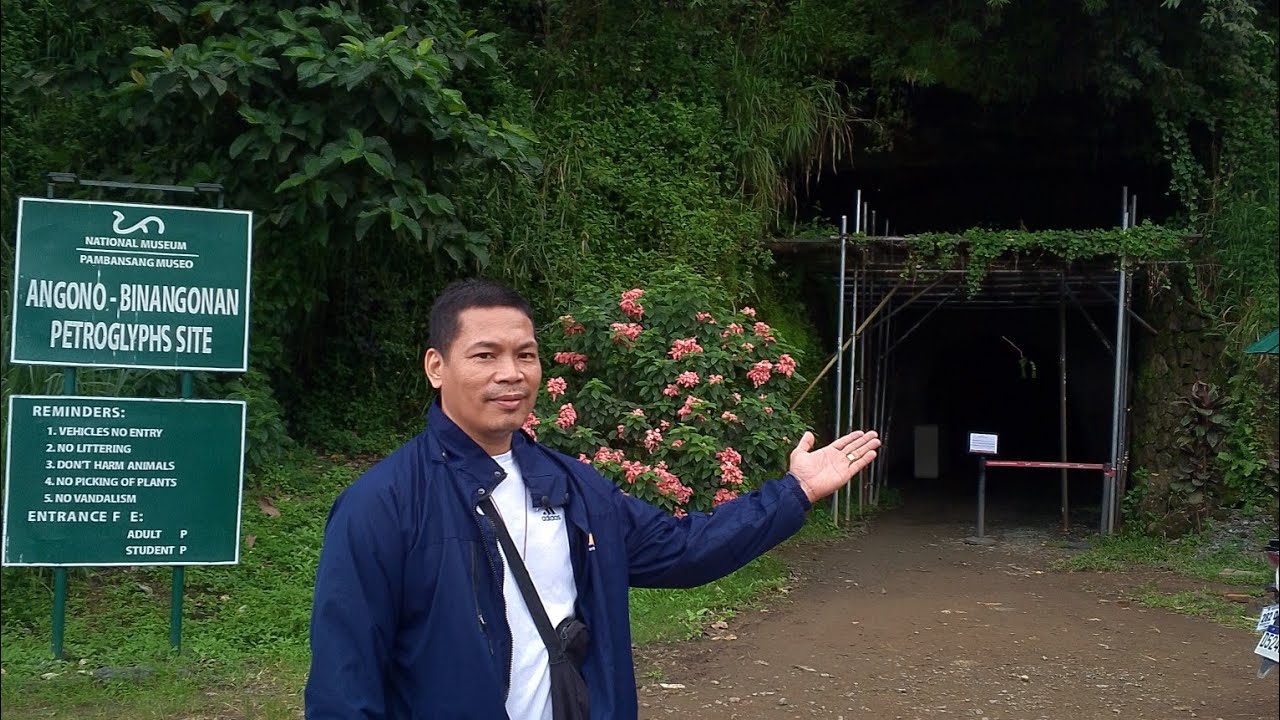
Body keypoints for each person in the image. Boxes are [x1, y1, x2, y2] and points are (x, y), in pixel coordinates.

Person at [304, 279, 880, 719]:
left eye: (525, 355)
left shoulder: (573, 487)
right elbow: (343, 681)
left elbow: (682, 548)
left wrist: (795, 491)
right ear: (437, 366)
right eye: (485, 356)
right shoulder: (382, 505)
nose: (511, 374)